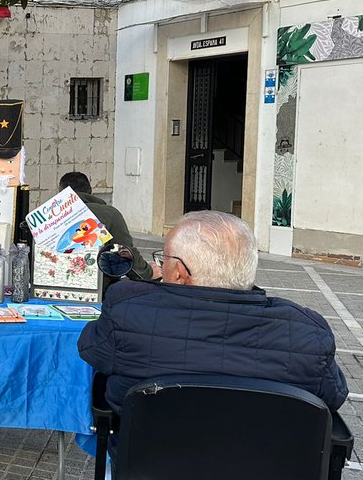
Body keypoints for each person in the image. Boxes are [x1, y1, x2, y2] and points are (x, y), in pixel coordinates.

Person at [79, 210, 348, 415]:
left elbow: (91, 348)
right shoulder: (308, 334)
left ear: (180, 273)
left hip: (148, 479)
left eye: (164, 260)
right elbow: (333, 396)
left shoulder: (129, 310)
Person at [59, 172, 159, 281]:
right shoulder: (109, 214)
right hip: (98, 290)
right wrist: (148, 273)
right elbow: (125, 252)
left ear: (61, 193)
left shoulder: (49, 217)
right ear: (90, 191)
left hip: (51, 287)